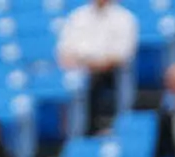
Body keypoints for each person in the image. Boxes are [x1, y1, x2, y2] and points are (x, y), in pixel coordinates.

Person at [56, 0, 139, 135]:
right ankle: (68, 134)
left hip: (109, 72)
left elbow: (121, 55)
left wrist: (94, 65)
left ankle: (94, 128)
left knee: (93, 80)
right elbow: (64, 52)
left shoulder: (124, 18)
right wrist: (81, 64)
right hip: (79, 69)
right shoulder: (77, 16)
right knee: (68, 83)